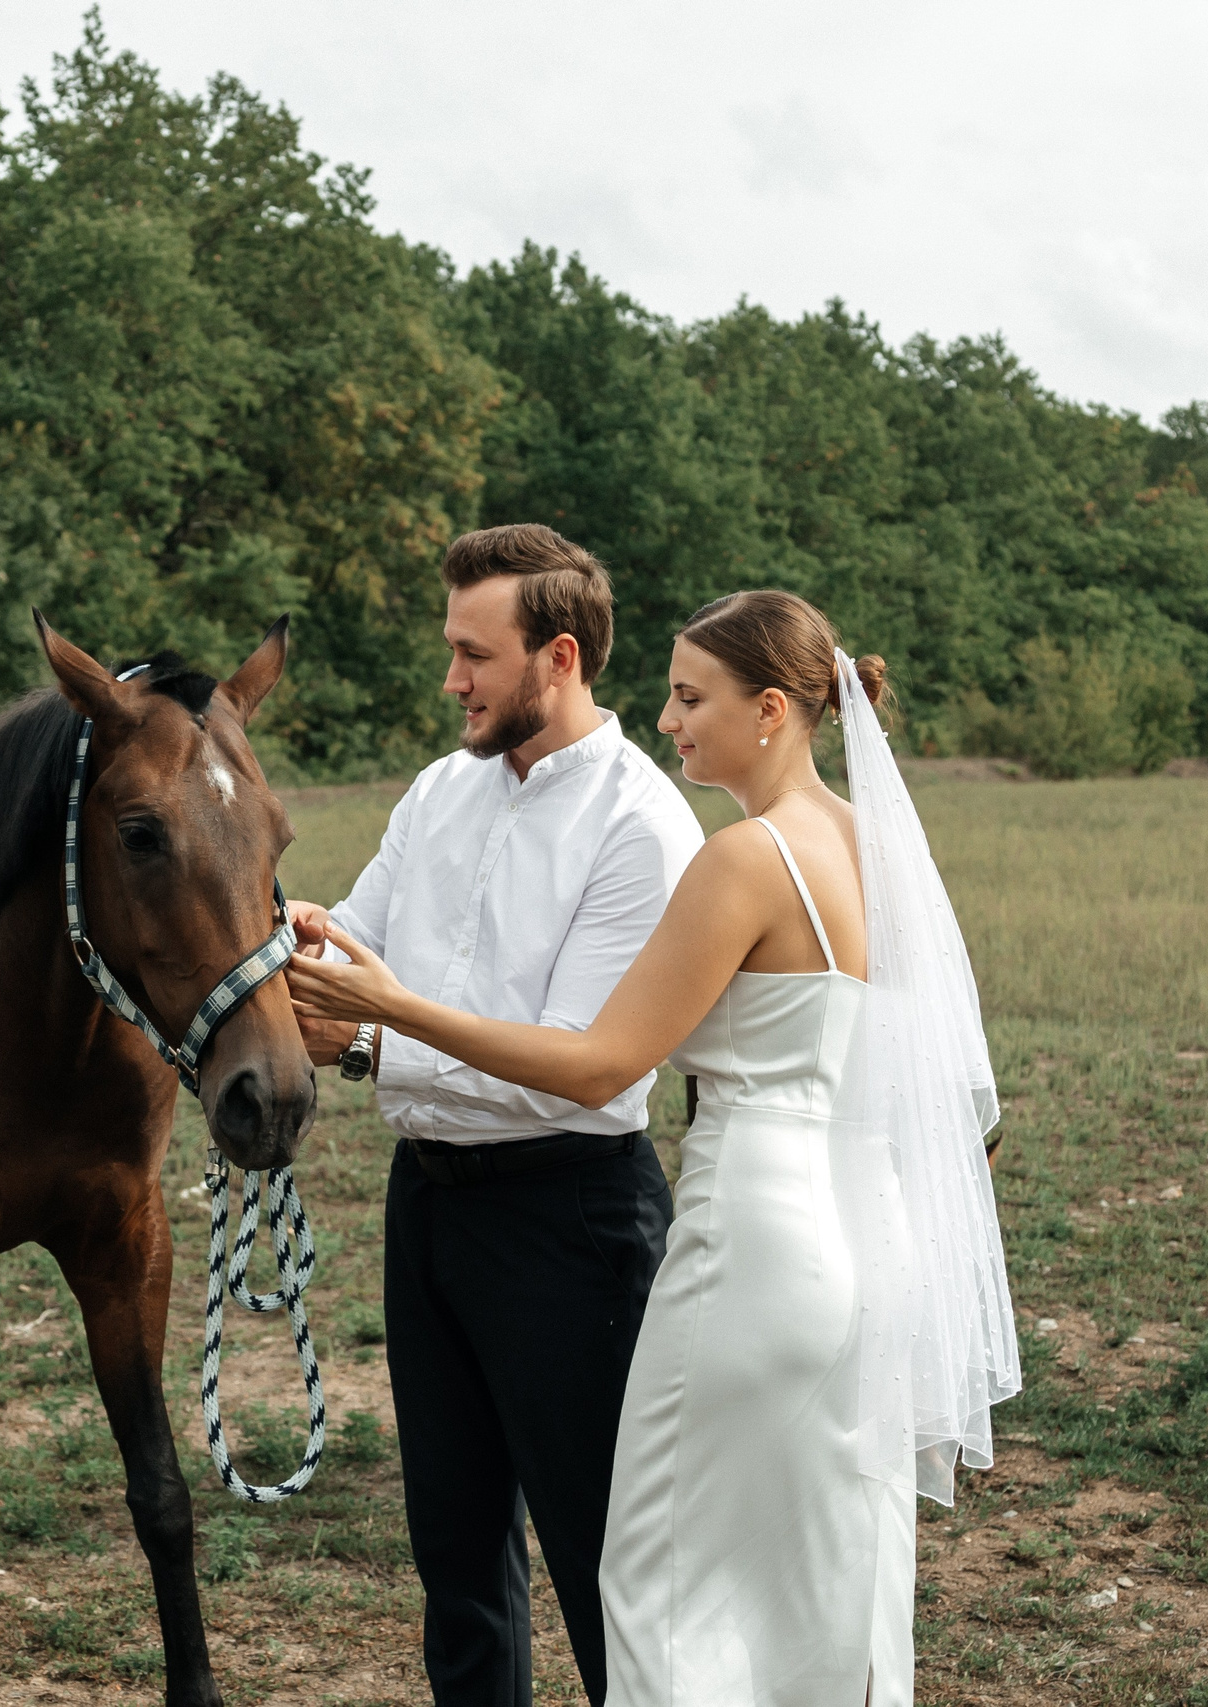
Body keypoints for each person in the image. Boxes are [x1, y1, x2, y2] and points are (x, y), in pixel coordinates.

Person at [290, 589, 1022, 1707]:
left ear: (770, 709)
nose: (669, 718)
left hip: (753, 1256)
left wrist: (395, 1012)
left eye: (691, 696)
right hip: (869, 1255)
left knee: (656, 1587)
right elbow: (965, 1119)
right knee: (822, 1576)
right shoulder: (880, 852)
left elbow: (597, 1063)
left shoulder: (743, 860)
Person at [285, 524, 705, 1707]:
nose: (450, 680)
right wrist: (288, 941)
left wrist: (371, 1028)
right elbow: (350, 952)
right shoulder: (436, 791)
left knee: (605, 1561)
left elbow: (584, 1069)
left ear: (557, 656)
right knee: (456, 1560)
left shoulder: (642, 825)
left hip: (569, 1220)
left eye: (473, 654)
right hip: (427, 1208)